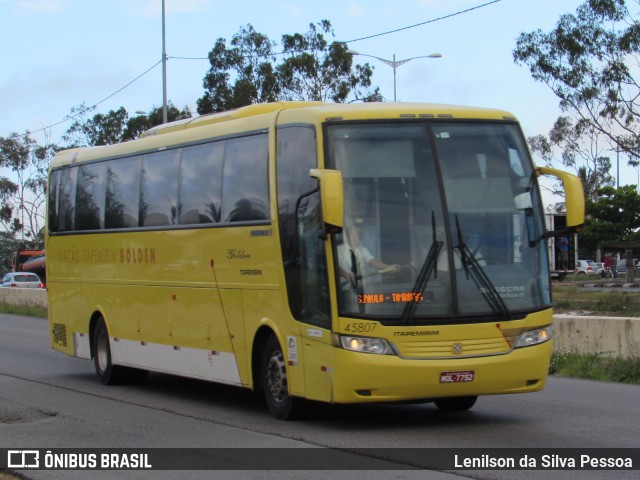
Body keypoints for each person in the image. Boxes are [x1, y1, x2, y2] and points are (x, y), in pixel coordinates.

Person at [337, 225, 400, 295]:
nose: (360, 236)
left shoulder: (363, 250)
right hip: (344, 290)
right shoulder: (338, 250)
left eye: (361, 234)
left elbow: (372, 261)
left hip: (361, 290)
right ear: (348, 235)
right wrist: (345, 274)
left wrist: (388, 267)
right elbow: (334, 266)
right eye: (357, 233)